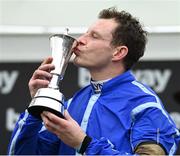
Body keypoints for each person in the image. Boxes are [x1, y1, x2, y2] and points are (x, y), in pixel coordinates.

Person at [8, 7, 180, 155]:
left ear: (118, 53)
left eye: (94, 36)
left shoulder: (145, 106)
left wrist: (83, 143)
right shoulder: (73, 102)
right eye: (85, 33)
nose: (80, 40)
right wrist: (37, 106)